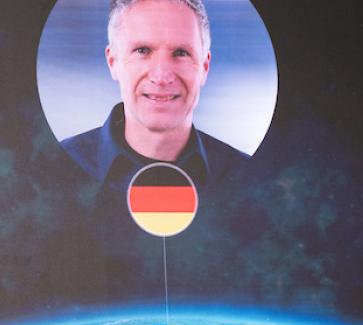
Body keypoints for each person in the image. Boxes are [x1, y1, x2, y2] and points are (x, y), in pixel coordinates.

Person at [61, 0, 247, 189]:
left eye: (181, 53)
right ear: (112, 62)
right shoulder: (58, 168)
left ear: (204, 67)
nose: (161, 76)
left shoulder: (247, 178)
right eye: (142, 51)